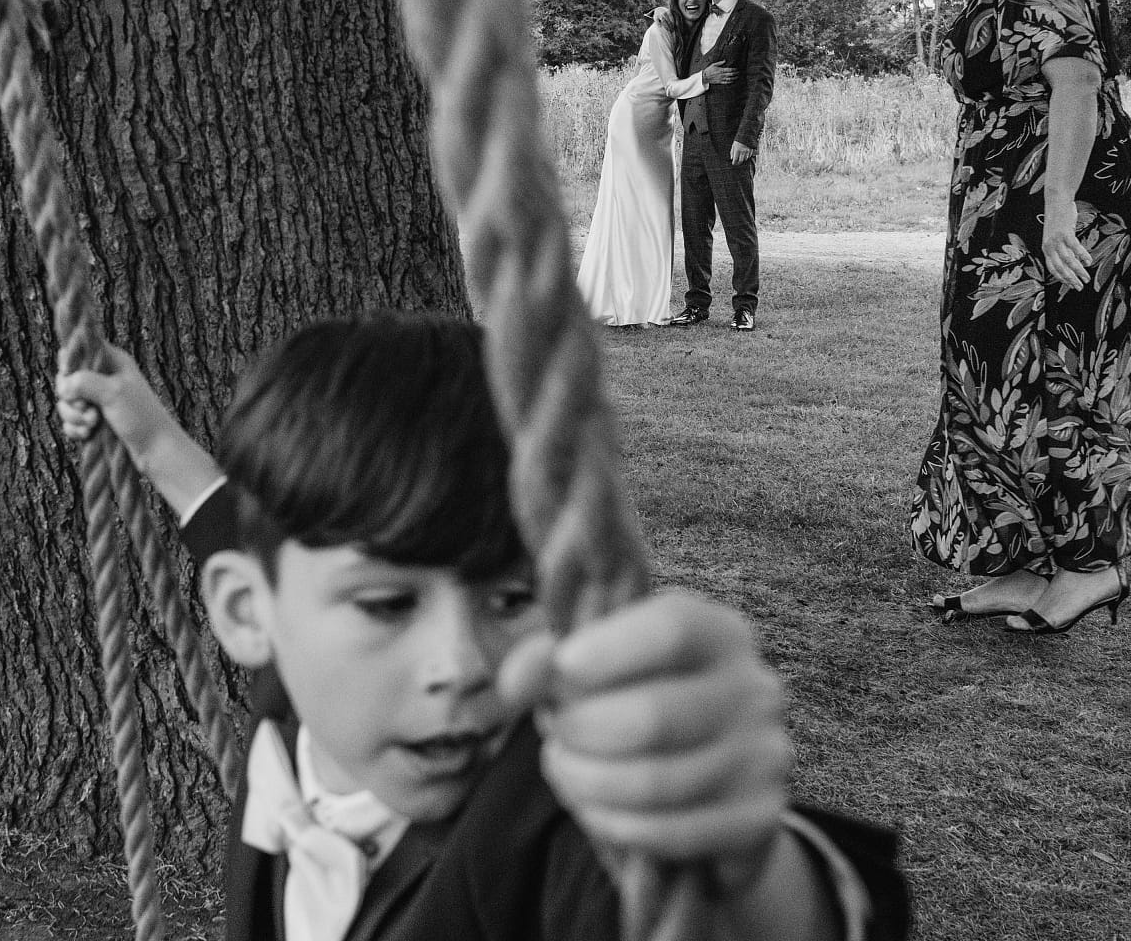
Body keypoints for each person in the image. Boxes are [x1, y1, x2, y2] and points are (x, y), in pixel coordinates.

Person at [58, 313, 909, 941]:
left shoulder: (555, 831)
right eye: (390, 604)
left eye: (510, 599)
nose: (461, 663)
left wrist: (754, 870)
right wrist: (155, 443)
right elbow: (239, 531)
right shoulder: (296, 689)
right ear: (251, 615)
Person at [913, 0, 1131, 635]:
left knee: (1054, 376)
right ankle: (1025, 566)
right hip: (1016, 212)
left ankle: (1091, 568)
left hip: (1069, 207)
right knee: (990, 375)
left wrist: (1058, 209)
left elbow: (1077, 82)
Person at [576, 0, 711, 327]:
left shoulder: (690, 28)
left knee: (656, 212)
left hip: (661, 128)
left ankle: (647, 303)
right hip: (634, 120)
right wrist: (706, 79)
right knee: (634, 212)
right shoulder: (659, 30)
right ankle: (630, 304)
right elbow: (669, 86)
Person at [671, 0, 776, 332]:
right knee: (695, 227)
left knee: (738, 226)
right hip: (694, 138)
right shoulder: (694, 19)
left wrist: (747, 137)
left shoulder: (757, 20)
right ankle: (696, 303)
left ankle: (745, 306)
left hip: (732, 141)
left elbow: (760, 85)